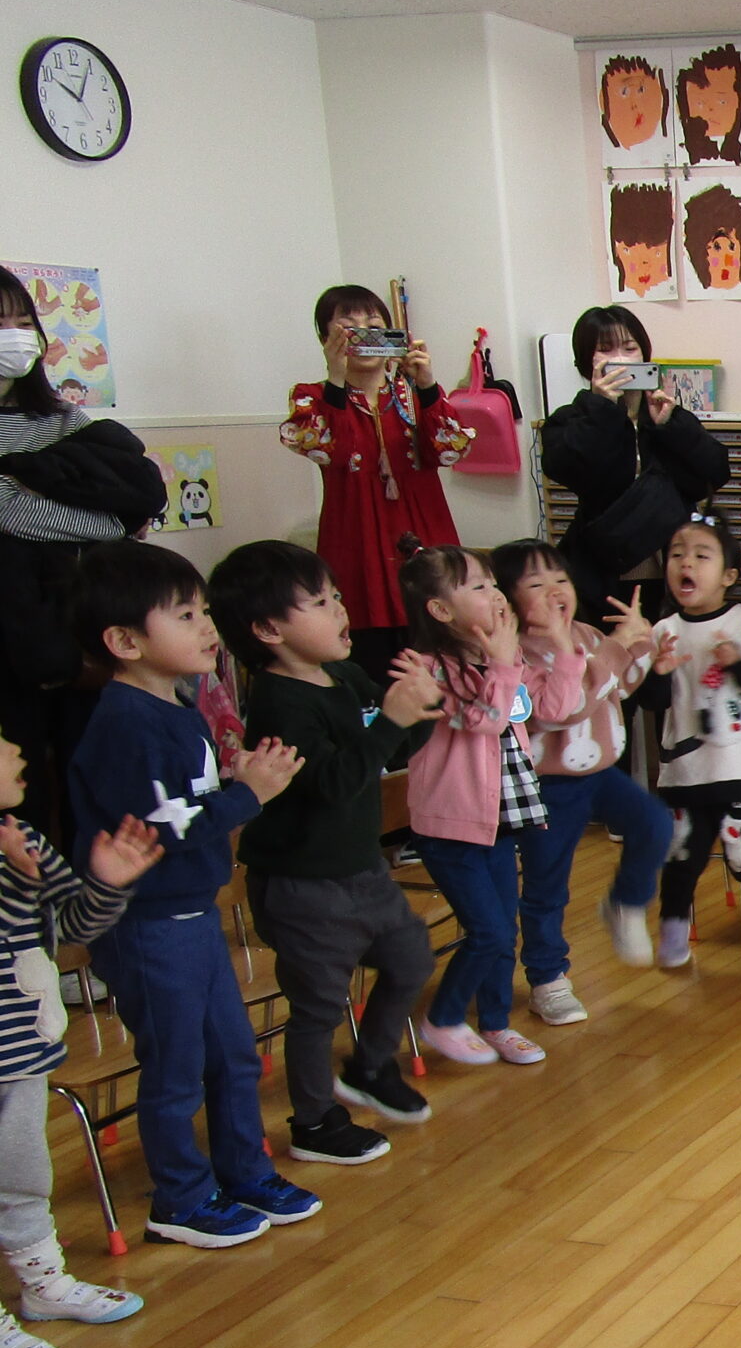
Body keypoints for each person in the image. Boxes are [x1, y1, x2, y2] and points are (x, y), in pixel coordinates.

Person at [67, 541, 312, 1247]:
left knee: (232, 1055)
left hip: (191, 915)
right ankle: (179, 1198)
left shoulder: (173, 709)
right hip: (148, 927)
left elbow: (186, 803)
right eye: (184, 615)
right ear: (124, 642)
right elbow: (160, 830)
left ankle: (244, 1171)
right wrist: (248, 795)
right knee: (175, 1068)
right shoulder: (124, 721)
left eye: (204, 611)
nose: (207, 627)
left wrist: (236, 782)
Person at [210, 541, 441, 1164]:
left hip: (360, 868)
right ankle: (313, 1121)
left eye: (336, 595)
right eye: (318, 602)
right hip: (301, 883)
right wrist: (391, 721)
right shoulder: (278, 702)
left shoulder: (343, 675)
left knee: (411, 958)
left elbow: (394, 746)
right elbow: (334, 783)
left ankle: (368, 1066)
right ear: (268, 630)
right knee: (317, 1006)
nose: (340, 609)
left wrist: (420, 705)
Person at [0, 730, 158, 1348]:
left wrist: (107, 885)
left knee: (23, 1174)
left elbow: (72, 926)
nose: (19, 752)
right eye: (2, 745)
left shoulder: (23, 838)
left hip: (21, 1052)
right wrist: (14, 883)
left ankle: (43, 1284)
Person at [0, 264, 164, 842]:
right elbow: (9, 513)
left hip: (81, 626)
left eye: (23, 321)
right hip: (15, 639)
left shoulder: (64, 417)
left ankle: (95, 888)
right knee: (20, 796)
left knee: (94, 780)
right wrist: (107, 522)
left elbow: (137, 500)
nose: (14, 335)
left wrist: (109, 520)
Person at [400, 543, 581, 1067]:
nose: (496, 594)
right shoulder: (426, 669)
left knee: (503, 931)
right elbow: (484, 719)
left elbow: (555, 707)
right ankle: (443, 1017)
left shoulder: (505, 659)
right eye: (478, 586)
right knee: (489, 931)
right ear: (441, 609)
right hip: (450, 827)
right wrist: (503, 665)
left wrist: (561, 644)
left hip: (500, 820)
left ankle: (496, 1024)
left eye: (493, 583)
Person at [490, 539, 671, 1014]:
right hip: (547, 786)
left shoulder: (589, 635)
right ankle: (548, 977)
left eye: (561, 579)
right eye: (536, 584)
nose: (555, 591)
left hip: (600, 773)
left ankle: (624, 903)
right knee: (547, 885)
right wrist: (613, 650)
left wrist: (644, 647)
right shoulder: (512, 655)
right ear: (508, 600)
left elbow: (618, 687)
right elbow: (560, 711)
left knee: (655, 824)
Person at [279, 286, 471, 680]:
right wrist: (335, 379)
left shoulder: (415, 393)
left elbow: (451, 450)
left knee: (443, 657)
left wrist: (428, 385)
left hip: (424, 533)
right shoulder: (313, 397)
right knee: (371, 666)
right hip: (356, 540)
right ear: (325, 338)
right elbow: (320, 447)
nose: (364, 333)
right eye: (348, 326)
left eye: (374, 325)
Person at [640, 517, 741, 976]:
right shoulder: (663, 630)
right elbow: (650, 702)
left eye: (700, 555)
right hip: (689, 772)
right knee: (682, 856)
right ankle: (673, 927)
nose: (685, 563)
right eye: (676, 555)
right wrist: (659, 672)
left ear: (729, 575)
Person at [539, 307, 732, 622]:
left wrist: (670, 426)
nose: (621, 359)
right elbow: (564, 469)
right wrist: (601, 409)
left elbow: (716, 472)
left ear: (645, 354)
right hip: (605, 564)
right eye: (605, 349)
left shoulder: (665, 413)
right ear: (586, 361)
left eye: (630, 348)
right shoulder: (573, 418)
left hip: (672, 560)